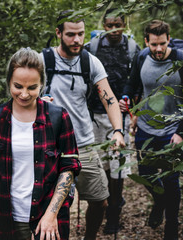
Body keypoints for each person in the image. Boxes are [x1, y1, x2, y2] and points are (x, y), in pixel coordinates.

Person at [0, 48, 81, 240]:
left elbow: (69, 169)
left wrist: (51, 214)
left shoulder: (58, 117)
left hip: (47, 219)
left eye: (32, 87)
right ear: (8, 83)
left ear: (42, 85)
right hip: (4, 218)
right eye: (18, 86)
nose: (24, 94)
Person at [41, 10, 125, 240]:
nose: (77, 40)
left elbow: (110, 99)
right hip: (50, 146)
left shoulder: (90, 61)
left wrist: (117, 131)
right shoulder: (43, 61)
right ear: (58, 33)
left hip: (83, 145)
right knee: (54, 205)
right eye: (70, 34)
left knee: (100, 202)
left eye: (80, 34)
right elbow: (21, 96)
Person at [120, 20, 183, 240]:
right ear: (146, 41)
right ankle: (159, 202)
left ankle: (171, 228)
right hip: (146, 126)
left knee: (171, 180)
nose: (158, 49)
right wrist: (126, 97)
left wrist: (182, 132)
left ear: (168, 40)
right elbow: (132, 83)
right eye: (154, 44)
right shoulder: (141, 57)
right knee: (146, 175)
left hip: (172, 128)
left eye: (162, 44)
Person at [84, 8, 141, 234]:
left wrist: (133, 109)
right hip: (96, 115)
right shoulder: (92, 48)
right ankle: (106, 204)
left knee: (119, 167)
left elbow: (138, 81)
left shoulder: (133, 49)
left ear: (124, 24)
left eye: (118, 24)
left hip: (122, 117)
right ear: (104, 25)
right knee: (103, 165)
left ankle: (114, 214)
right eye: (109, 25)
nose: (114, 30)